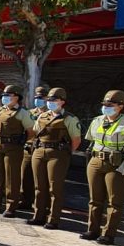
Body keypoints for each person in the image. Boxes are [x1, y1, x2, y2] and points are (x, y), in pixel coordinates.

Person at [81, 90, 124, 245]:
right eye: (105, 104)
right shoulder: (97, 120)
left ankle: (108, 233)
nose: (106, 107)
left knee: (114, 201)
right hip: (95, 161)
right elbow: (90, 141)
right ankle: (92, 229)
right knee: (95, 199)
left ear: (121, 106)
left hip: (116, 164)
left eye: (110, 104)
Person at [27, 87, 81, 230]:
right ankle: (38, 215)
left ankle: (53, 219)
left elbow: (76, 140)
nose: (50, 102)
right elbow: (35, 133)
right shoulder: (42, 116)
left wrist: (65, 153)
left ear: (62, 102)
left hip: (58, 154)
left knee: (54, 187)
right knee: (39, 186)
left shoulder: (69, 118)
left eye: (54, 100)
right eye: (49, 100)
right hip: (40, 151)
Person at [0, 85, 34, 218]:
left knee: (12, 177)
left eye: (9, 95)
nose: (5, 98)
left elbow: (31, 132)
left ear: (17, 97)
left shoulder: (23, 113)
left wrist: (21, 141)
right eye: (4, 96)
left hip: (13, 147)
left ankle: (11, 206)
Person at [20, 86, 49, 210]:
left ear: (47, 98)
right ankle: (26, 201)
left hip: (43, 149)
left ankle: (43, 205)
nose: (38, 100)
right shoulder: (30, 113)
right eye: (37, 97)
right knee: (25, 176)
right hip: (29, 148)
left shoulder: (52, 114)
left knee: (42, 180)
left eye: (41, 98)